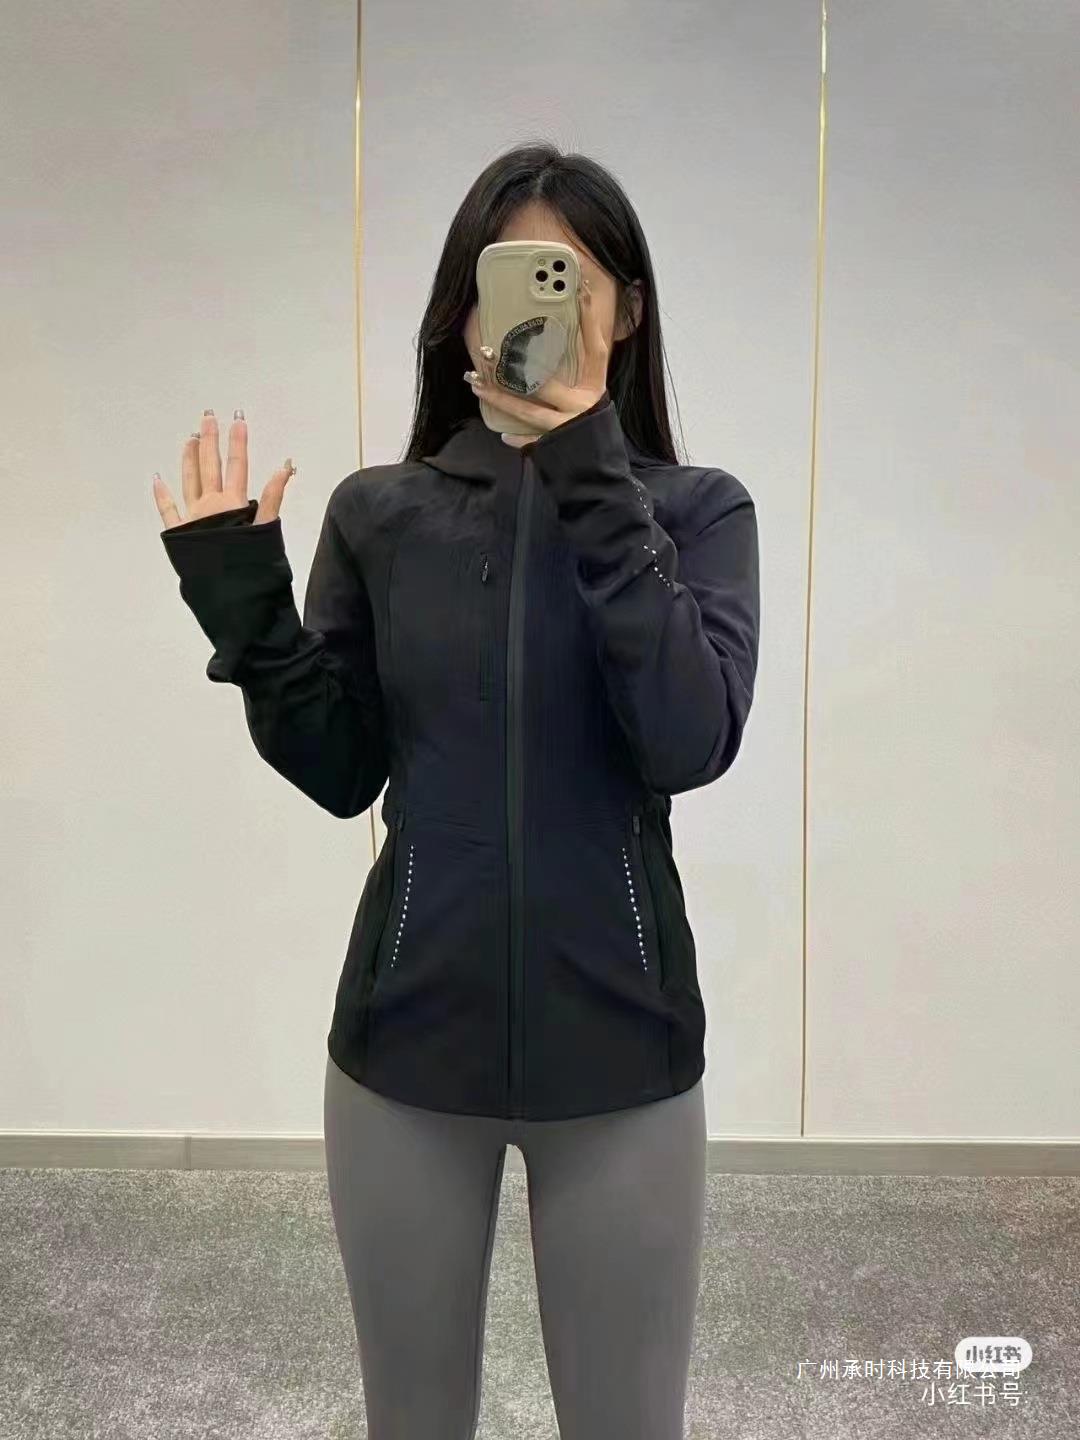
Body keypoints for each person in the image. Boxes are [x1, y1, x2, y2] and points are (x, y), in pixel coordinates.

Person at [154, 141, 760, 1440]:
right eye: (511, 279)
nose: (542, 309)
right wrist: (244, 613)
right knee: (413, 1421)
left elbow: (688, 740)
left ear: (627, 311)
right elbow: (341, 771)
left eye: (573, 279)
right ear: (464, 315)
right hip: (404, 1058)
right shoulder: (384, 515)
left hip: (624, 1058)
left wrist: (592, 476)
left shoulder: (696, 514)